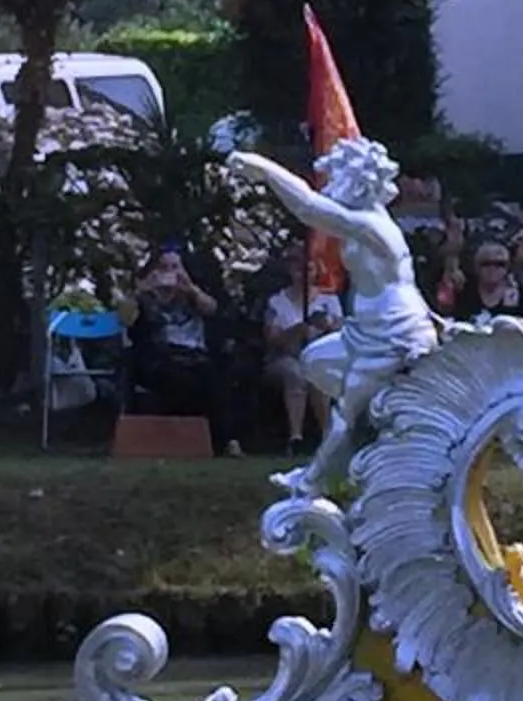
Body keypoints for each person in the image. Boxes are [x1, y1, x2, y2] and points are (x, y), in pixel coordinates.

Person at [228, 134, 439, 493]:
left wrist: (264, 170)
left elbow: (309, 208)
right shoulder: (362, 220)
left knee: (346, 409)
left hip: (393, 333)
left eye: (337, 176)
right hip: (367, 329)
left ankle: (314, 480)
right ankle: (377, 435)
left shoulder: (374, 226)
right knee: (315, 361)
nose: (330, 184)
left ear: (359, 181)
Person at [130, 243, 241, 454]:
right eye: (164, 267)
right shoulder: (145, 297)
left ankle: (226, 441)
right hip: (160, 358)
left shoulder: (192, 293)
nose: (170, 272)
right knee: (184, 380)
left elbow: (211, 309)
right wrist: (139, 291)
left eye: (175, 266)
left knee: (214, 378)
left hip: (196, 357)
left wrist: (190, 289)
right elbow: (125, 320)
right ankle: (205, 442)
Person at [259, 244, 342, 455]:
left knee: (318, 375)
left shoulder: (329, 300)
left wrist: (328, 326)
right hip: (285, 357)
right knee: (295, 374)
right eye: (299, 270)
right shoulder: (277, 301)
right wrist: (297, 330)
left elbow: (343, 332)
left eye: (309, 270)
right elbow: (272, 338)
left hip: (319, 357)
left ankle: (327, 437)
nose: (304, 275)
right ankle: (296, 437)